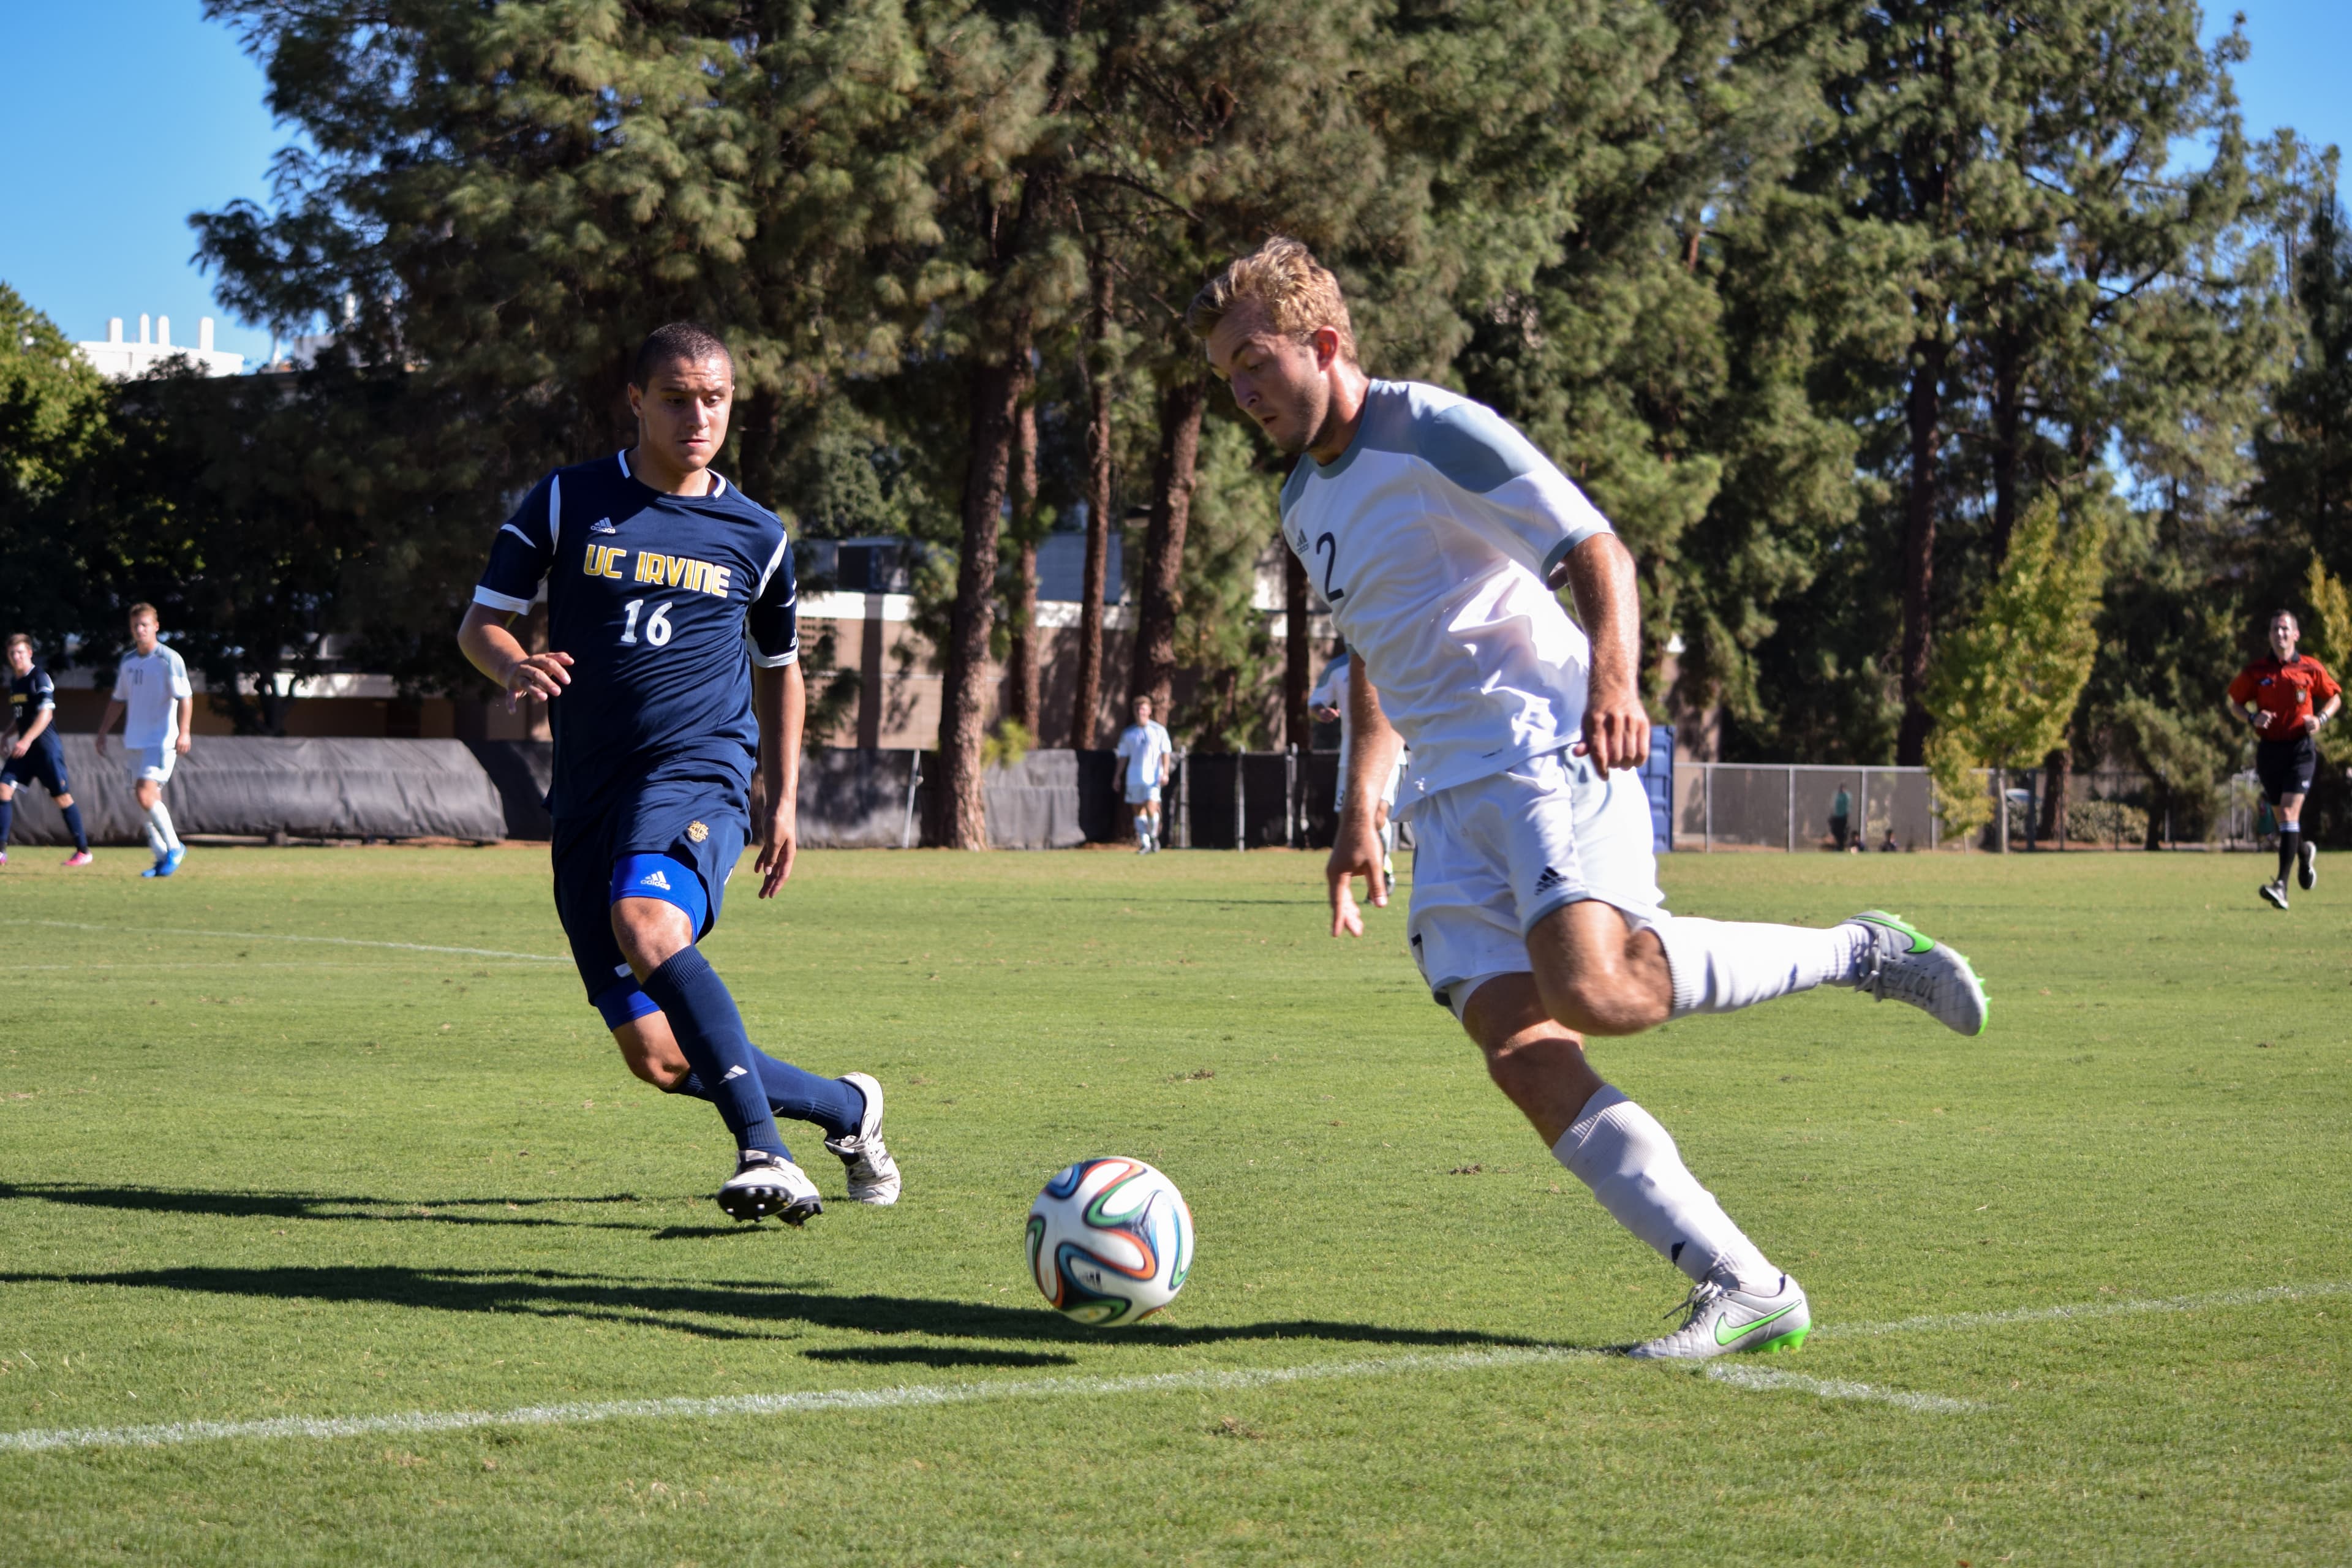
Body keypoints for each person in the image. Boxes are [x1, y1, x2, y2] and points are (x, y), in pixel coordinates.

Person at [1192, 238, 1988, 1361]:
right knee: (1523, 1052)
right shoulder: (1301, 500)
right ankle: (1746, 1285)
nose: (1239, 391)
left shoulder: (1429, 429)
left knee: (1602, 989)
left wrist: (1616, 679)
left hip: (1542, 751)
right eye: (1224, 374)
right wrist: (1358, 809)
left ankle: (1861, 951)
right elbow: (1373, 650)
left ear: (1324, 343)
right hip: (1444, 799)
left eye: (1252, 361)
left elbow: (1592, 544)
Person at [456, 322, 897, 1225]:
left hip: (699, 771)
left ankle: (766, 1151)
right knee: (657, 1057)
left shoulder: (757, 534)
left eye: (716, 398)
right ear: (636, 400)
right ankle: (848, 1111)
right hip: (588, 794)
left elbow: (781, 672)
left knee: (648, 920)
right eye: (677, 398)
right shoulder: (566, 501)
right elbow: (480, 623)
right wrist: (510, 666)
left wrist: (783, 803)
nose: (699, 415)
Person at [2226, 608, 2340, 910]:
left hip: (2301, 750)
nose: (2280, 634)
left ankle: (2281, 886)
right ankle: (2304, 854)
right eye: (2276, 629)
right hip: (2269, 752)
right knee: (2284, 821)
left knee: (2289, 815)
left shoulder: (2310, 667)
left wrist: (2321, 719)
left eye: (2286, 629)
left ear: (2296, 634)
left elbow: (2335, 696)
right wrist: (2252, 716)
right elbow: (2235, 703)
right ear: (2270, 635)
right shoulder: (2257, 671)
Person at [94, 604, 192, 878]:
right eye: (136, 625)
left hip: (160, 741)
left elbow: (186, 697)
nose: (140, 630)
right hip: (134, 741)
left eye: (145, 624)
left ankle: (175, 847)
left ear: (156, 627)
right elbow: (118, 700)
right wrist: (103, 732)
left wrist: (184, 731)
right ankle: (161, 858)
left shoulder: (169, 659)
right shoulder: (128, 662)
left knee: (144, 794)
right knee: (144, 799)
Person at [1309, 643, 1402, 876]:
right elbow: (1315, 702)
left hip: (1388, 752)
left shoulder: (1392, 658)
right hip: (1351, 756)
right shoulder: (1338, 668)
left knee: (1378, 816)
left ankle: (1383, 863)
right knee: (1351, 820)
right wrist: (1321, 712)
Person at [2, 634, 94, 867]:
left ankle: (83, 851)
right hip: (25, 751)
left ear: (30, 653)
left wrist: (27, 740)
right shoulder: (16, 683)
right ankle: (1, 852)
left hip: (45, 750)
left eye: (21, 652)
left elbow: (46, 713)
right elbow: (21, 716)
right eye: (12, 653)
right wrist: (7, 734)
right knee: (3, 790)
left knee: (62, 798)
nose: (16, 657)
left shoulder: (39, 678)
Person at [1114, 695, 1174, 853]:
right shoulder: (1129, 733)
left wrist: (1165, 772)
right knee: (1138, 810)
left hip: (1153, 778)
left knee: (1151, 807)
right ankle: (1145, 843)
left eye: (1144, 709)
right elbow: (1123, 756)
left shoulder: (1158, 731)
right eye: (1138, 709)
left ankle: (1154, 837)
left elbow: (1166, 752)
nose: (1141, 712)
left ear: (1149, 711)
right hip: (1134, 778)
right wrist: (1117, 776)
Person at [1828, 785, 1852, 852]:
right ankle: (1838, 845)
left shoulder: (1847, 796)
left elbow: (1848, 806)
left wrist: (1847, 815)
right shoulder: (1836, 795)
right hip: (1836, 817)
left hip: (1843, 817)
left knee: (1843, 833)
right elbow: (1833, 805)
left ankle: (1841, 846)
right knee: (1836, 831)